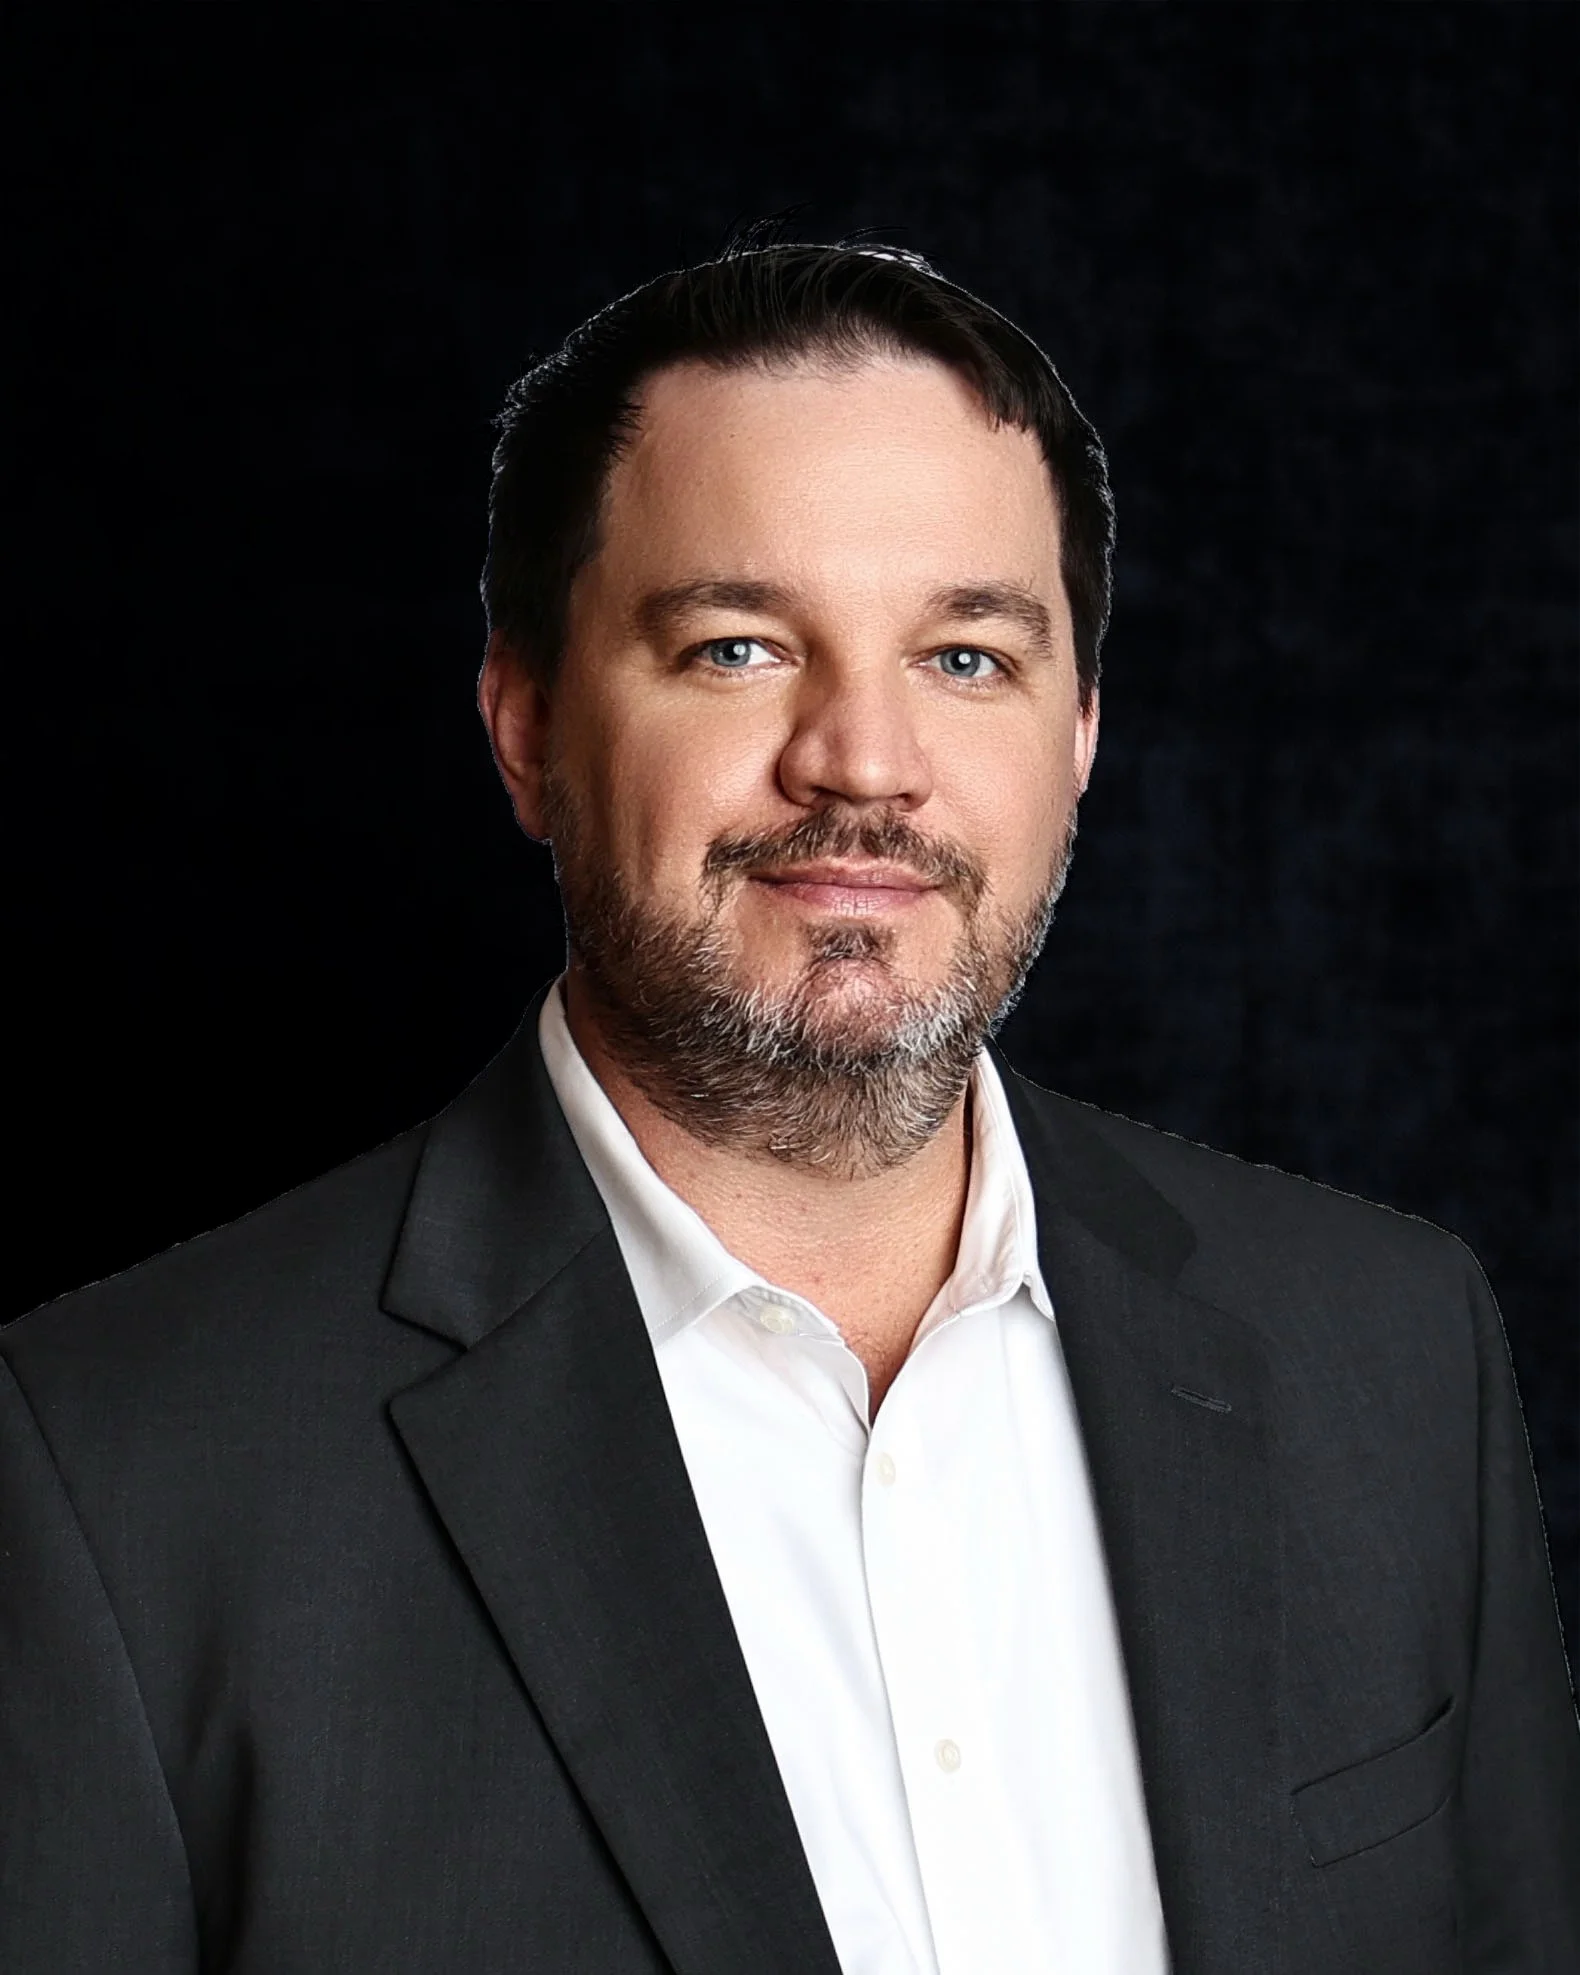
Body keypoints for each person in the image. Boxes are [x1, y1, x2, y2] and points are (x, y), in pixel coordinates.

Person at [3, 241, 1576, 1975]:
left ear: (1081, 738)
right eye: (741, 646)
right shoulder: (116, 1476)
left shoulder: (1391, 1350)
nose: (865, 759)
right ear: (526, 726)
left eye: (968, 656)